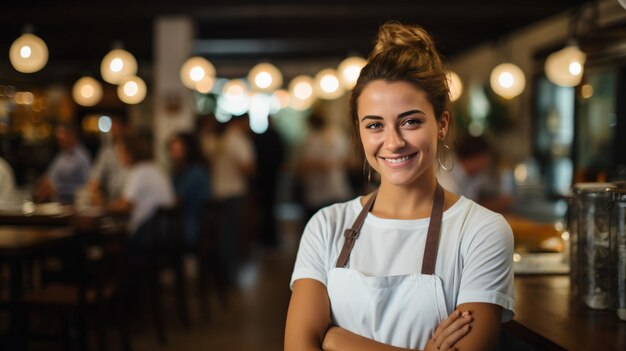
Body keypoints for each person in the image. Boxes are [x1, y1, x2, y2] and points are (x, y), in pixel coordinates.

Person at [285, 22, 514, 351]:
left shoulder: (482, 232)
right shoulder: (326, 226)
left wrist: (335, 340)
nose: (392, 142)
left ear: (442, 124)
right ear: (360, 132)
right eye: (375, 125)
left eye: (410, 121)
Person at [208, 114, 256, 285]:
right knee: (231, 236)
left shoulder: (218, 139)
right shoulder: (238, 141)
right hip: (234, 193)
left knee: (222, 235)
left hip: (218, 194)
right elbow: (248, 168)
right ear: (241, 123)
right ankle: (229, 277)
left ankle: (223, 275)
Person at [109, 129, 174, 246]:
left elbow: (125, 205)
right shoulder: (155, 168)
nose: (119, 156)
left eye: (120, 151)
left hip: (148, 235)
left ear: (130, 153)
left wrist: (104, 206)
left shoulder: (138, 172)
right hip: (166, 233)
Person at [437, 135, 513, 213]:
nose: (486, 164)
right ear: (479, 157)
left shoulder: (471, 175)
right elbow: (458, 212)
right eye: (486, 159)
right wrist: (495, 205)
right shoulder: (445, 179)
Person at [298, 112, 352, 221]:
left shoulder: (334, 135)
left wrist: (330, 164)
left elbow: (348, 159)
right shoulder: (312, 138)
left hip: (334, 188)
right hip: (318, 190)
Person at [168, 132, 211, 248]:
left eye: (177, 147)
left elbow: (180, 199)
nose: (173, 151)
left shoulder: (196, 172)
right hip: (183, 222)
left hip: (192, 223)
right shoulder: (177, 172)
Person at [34, 123, 91, 204]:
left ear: (72, 135)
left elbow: (87, 187)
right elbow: (49, 177)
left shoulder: (81, 157)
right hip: (58, 204)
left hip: (74, 206)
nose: (59, 139)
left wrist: (57, 190)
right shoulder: (61, 156)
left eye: (62, 135)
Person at [88, 115, 129, 203]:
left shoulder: (133, 150)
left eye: (117, 127)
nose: (114, 130)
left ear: (124, 128)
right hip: (112, 200)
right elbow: (95, 176)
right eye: (112, 127)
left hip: (130, 198)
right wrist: (93, 192)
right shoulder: (107, 151)